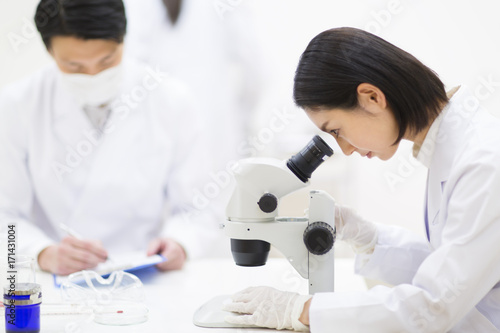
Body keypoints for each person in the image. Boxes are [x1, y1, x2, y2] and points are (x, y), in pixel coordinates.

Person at [223, 27, 500, 332]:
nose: (343, 148)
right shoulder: (452, 150)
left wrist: (300, 310)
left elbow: (433, 306)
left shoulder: (484, 163)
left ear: (371, 97)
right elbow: (452, 269)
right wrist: (370, 239)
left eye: (336, 130)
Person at [0, 0, 219, 276]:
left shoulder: (170, 100)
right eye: (75, 66)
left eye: (107, 61)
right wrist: (42, 252)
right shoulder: (18, 105)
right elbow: (5, 216)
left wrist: (180, 243)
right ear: (49, 51)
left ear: (124, 40)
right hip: (56, 281)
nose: (93, 75)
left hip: (145, 278)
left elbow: (200, 207)